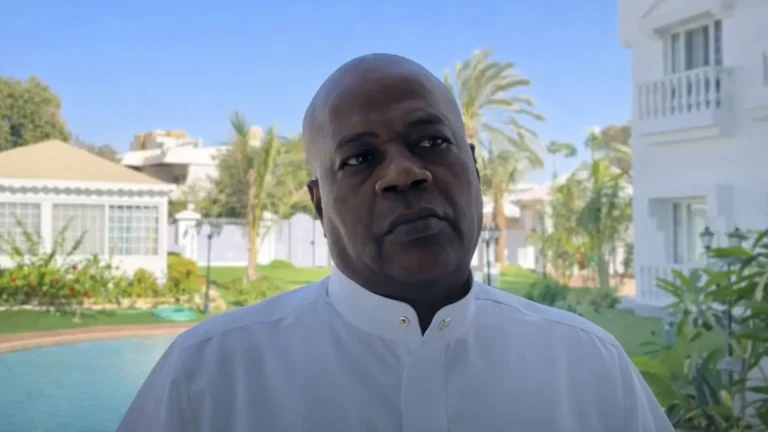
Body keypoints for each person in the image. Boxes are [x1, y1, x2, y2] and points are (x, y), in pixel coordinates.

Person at [117, 54, 673, 432]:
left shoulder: (588, 365)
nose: (404, 173)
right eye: (360, 158)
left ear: (474, 170)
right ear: (319, 204)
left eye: (431, 142)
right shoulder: (209, 375)